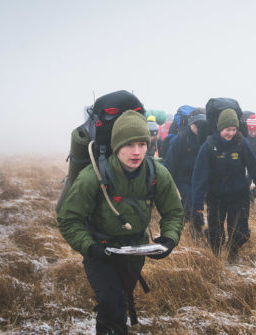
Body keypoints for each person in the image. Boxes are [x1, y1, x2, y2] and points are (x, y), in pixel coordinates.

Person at [57, 110, 184, 335]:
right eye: (129, 145)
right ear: (116, 146)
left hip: (135, 250)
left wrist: (169, 239)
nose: (136, 152)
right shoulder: (93, 175)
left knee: (120, 299)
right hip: (99, 249)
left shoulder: (157, 173)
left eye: (142, 144)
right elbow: (69, 219)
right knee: (110, 301)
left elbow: (174, 212)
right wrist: (90, 247)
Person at [192, 108, 256, 261]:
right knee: (216, 233)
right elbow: (199, 175)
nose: (231, 133)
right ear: (220, 128)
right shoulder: (209, 146)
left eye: (234, 129)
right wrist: (197, 202)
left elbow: (255, 169)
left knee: (241, 232)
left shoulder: (242, 144)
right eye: (228, 130)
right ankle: (215, 258)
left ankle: (233, 252)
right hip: (216, 196)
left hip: (239, 195)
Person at [163, 113, 209, 239]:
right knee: (189, 205)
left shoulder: (206, 138)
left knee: (196, 206)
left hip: (199, 180)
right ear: (191, 124)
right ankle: (182, 230)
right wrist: (169, 184)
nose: (198, 129)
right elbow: (170, 162)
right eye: (196, 126)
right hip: (183, 179)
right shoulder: (181, 139)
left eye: (201, 127)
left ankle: (195, 231)